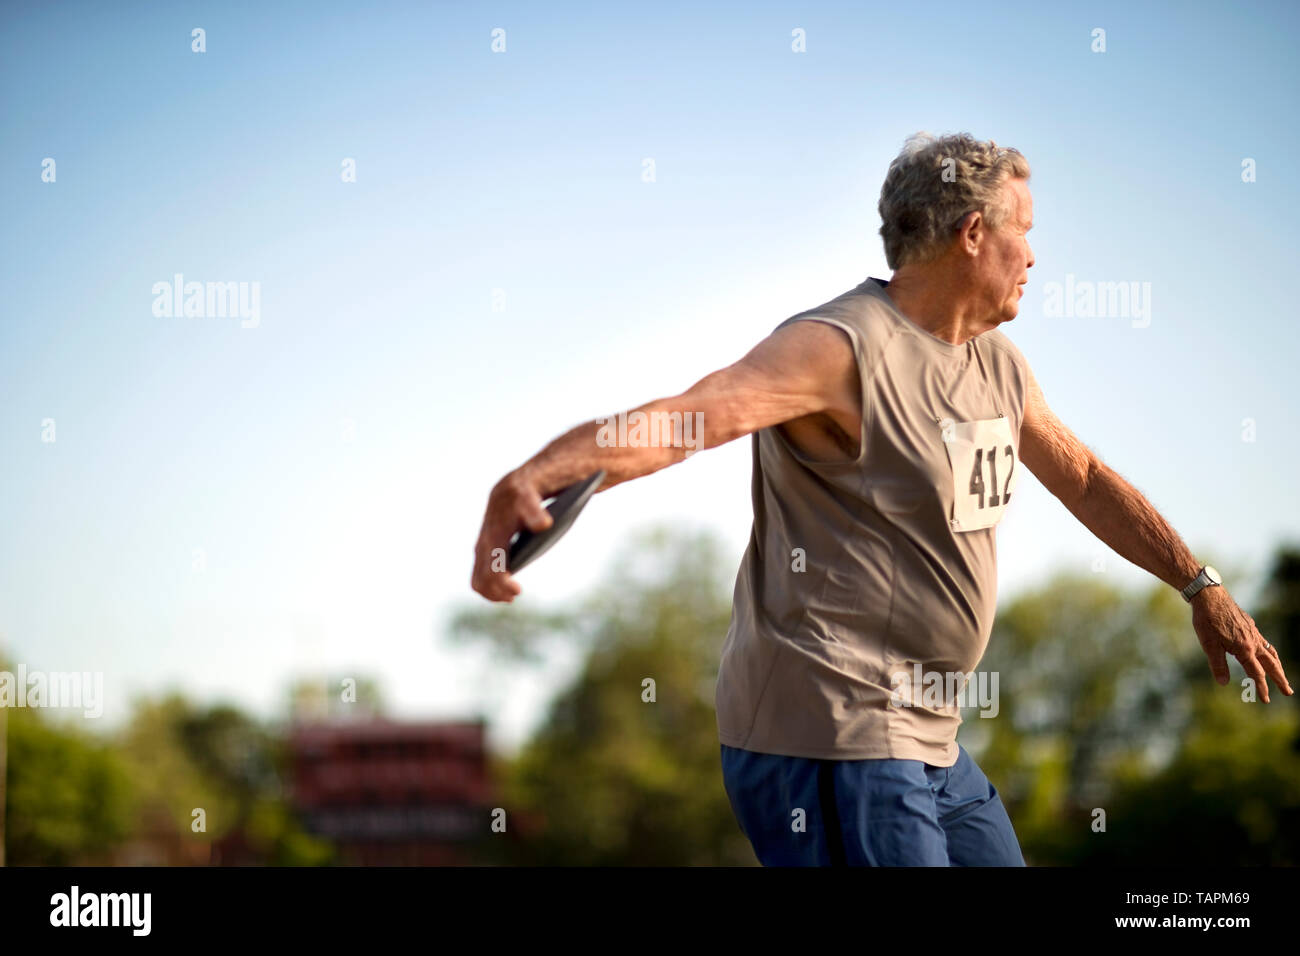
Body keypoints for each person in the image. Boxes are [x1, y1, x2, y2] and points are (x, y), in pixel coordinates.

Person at [470, 131, 1293, 866]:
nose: (1035, 257)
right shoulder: (841, 345)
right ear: (974, 236)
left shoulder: (998, 366)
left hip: (931, 735)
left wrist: (1199, 583)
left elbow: (1083, 478)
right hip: (830, 732)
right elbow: (696, 417)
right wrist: (543, 472)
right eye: (1025, 233)